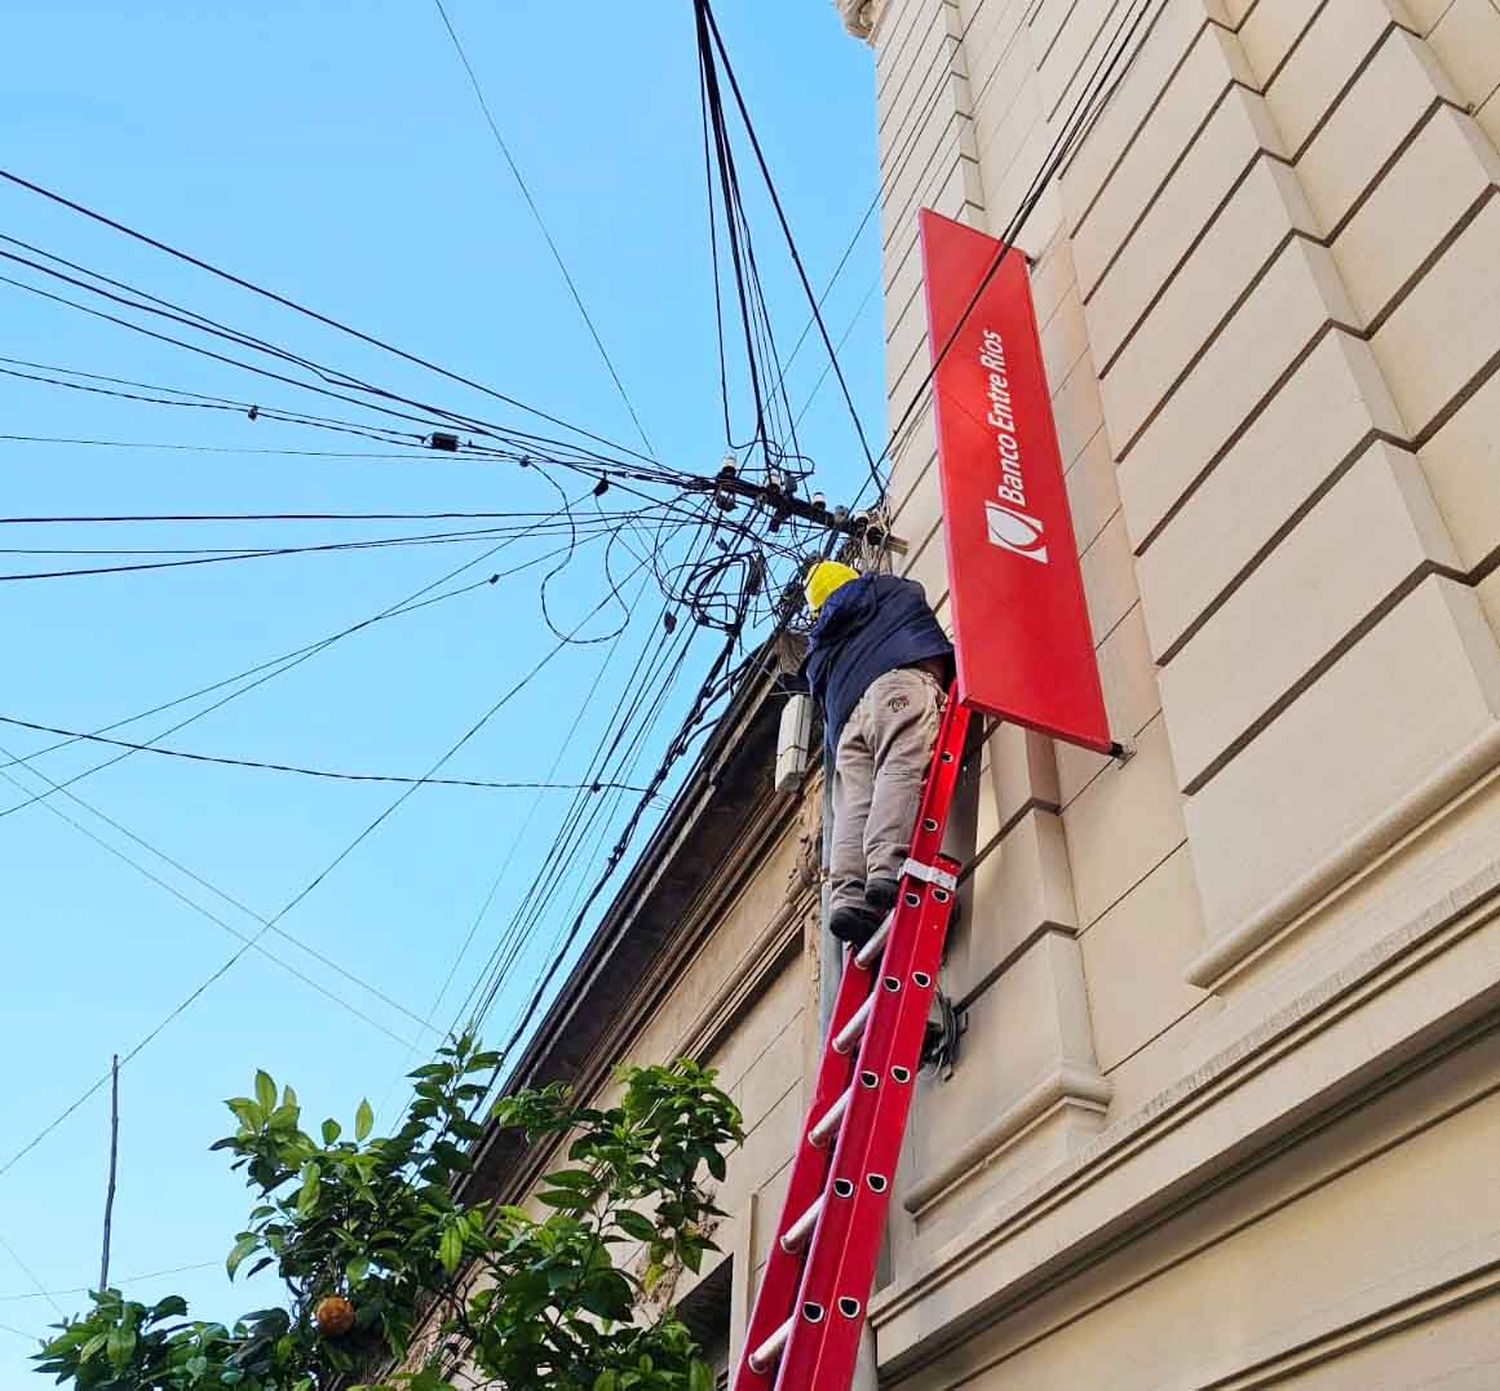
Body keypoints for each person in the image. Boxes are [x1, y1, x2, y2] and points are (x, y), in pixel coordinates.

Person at [796, 559, 954, 948]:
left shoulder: (819, 649)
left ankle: (848, 897)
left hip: (848, 721)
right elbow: (916, 598)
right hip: (897, 683)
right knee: (899, 766)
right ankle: (887, 868)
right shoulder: (884, 590)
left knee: (852, 804)